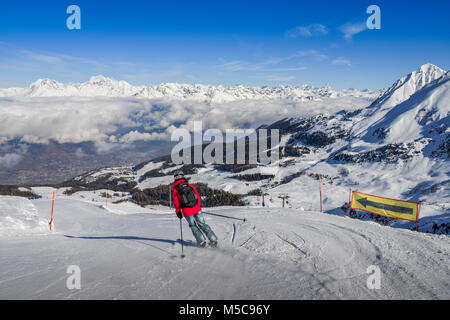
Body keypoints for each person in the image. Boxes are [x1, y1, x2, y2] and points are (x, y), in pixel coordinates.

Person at [172, 170, 218, 248]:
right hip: (197, 209)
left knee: (193, 225)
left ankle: (202, 242)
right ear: (183, 176)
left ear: (175, 178)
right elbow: (197, 197)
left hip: (187, 211)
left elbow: (176, 202)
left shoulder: (175, 189)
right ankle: (213, 240)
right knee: (202, 224)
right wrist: (198, 206)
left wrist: (178, 211)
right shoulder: (190, 186)